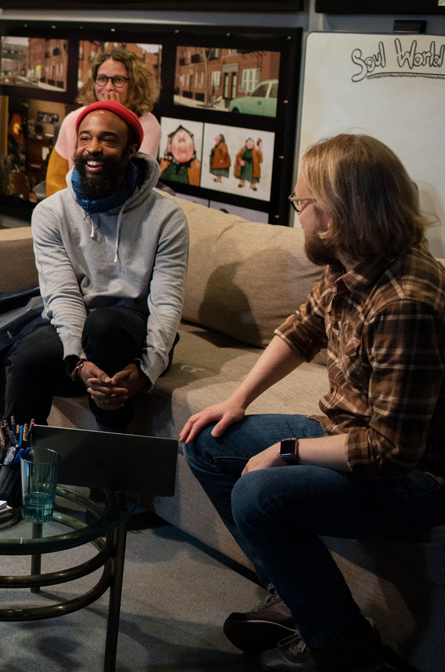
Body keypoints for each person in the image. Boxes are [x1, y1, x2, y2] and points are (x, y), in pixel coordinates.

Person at [181, 134, 445, 671]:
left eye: (303, 204)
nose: (296, 214)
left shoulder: (405, 304)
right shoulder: (349, 260)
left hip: (417, 478)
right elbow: (301, 330)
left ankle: (344, 642)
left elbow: (391, 451)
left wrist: (288, 449)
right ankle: (292, 597)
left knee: (259, 495)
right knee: (208, 440)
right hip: (346, 432)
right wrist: (235, 400)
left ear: (339, 212)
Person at [0, 100, 188, 431]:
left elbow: (166, 302)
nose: (93, 148)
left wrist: (148, 368)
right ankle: (15, 472)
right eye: (85, 138)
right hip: (77, 321)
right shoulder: (51, 213)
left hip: (132, 327)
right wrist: (77, 362)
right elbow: (63, 292)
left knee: (107, 325)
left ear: (132, 151)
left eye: (108, 140)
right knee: (26, 359)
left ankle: (109, 466)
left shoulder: (167, 218)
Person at [44, 48, 162, 197]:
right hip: (75, 204)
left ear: (135, 84)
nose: (108, 87)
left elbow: (134, 181)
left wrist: (116, 113)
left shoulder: (148, 125)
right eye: (102, 79)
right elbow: (55, 180)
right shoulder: (73, 119)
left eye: (118, 80)